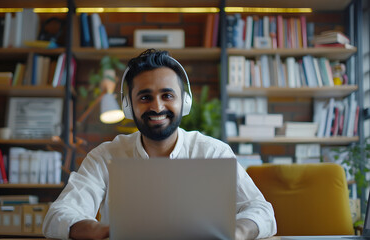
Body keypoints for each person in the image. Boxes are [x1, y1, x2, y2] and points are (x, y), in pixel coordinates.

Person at [43, 49, 277, 240]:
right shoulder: (106, 156)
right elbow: (57, 216)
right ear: (129, 106)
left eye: (167, 95)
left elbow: (262, 211)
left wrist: (236, 232)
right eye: (145, 97)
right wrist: (103, 231)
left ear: (184, 102)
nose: (157, 107)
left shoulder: (213, 152)